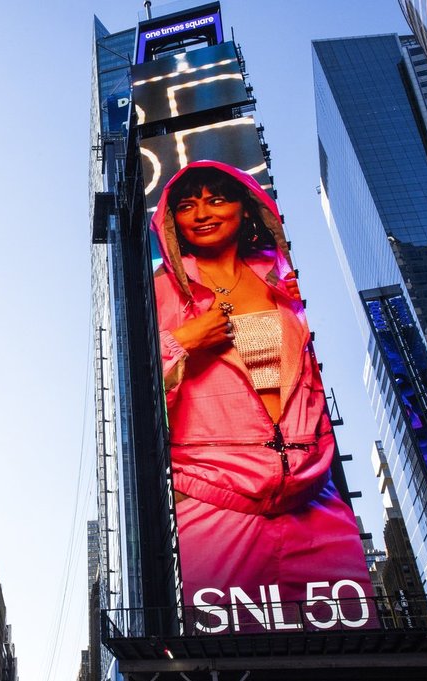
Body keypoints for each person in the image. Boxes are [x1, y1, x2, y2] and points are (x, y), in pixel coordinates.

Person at [152, 160, 376, 633]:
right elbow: (132, 395)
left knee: (350, 657)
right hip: (213, 511)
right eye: (188, 205)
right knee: (226, 660)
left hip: (316, 505)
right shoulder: (159, 292)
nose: (202, 213)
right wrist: (185, 340)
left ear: (246, 208)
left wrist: (316, 453)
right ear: (173, 223)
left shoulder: (283, 285)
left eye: (217, 199)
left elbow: (283, 385)